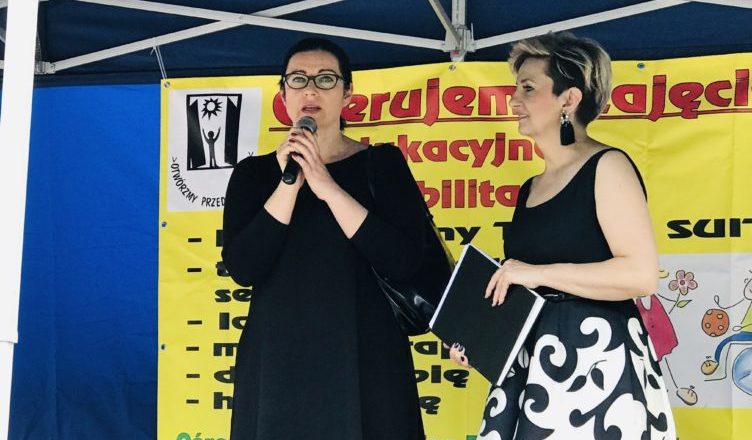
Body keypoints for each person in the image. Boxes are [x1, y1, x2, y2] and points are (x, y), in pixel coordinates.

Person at [448, 32, 676, 439]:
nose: (513, 100)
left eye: (528, 88)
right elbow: (522, 284)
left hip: (597, 365)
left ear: (568, 99)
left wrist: (536, 273)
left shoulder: (607, 166)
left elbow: (641, 276)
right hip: (532, 367)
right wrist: (479, 333)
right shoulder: (530, 188)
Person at [221, 37, 426, 440]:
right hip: (278, 361)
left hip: (365, 356)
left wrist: (327, 185)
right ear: (283, 93)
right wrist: (290, 183)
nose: (311, 90)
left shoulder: (382, 164)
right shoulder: (252, 174)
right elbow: (244, 267)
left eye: (326, 79)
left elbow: (403, 260)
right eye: (298, 79)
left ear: (347, 93)